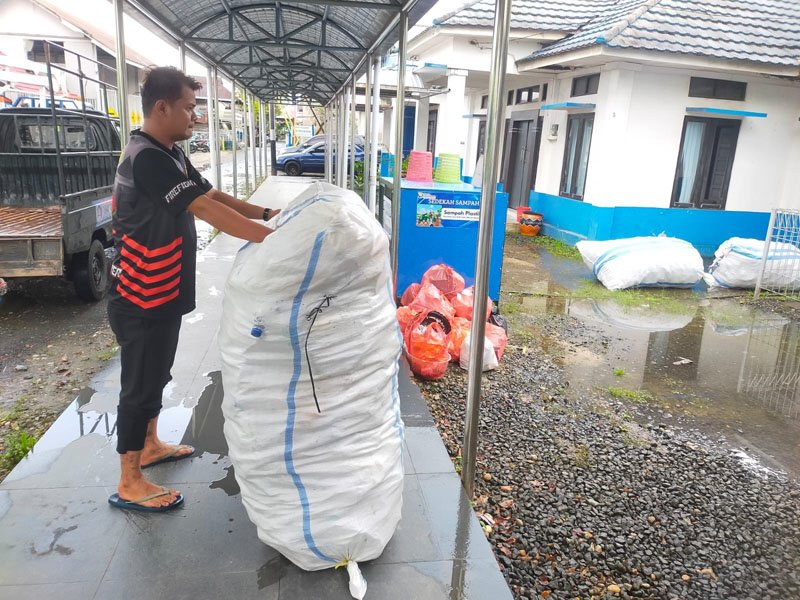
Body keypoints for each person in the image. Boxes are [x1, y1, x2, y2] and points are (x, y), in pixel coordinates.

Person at [106, 66, 277, 512]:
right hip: (139, 293)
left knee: (157, 373)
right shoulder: (146, 158)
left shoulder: (170, 154)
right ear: (162, 107)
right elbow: (202, 207)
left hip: (161, 289)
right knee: (139, 383)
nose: (195, 117)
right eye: (188, 108)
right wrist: (274, 240)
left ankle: (149, 446)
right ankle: (130, 481)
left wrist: (266, 214)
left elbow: (212, 195)